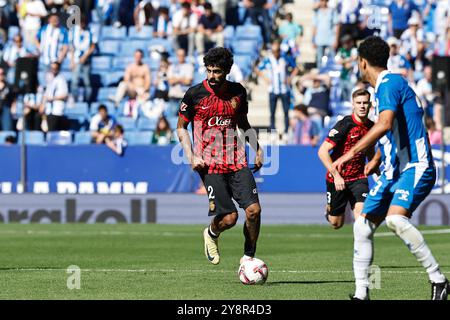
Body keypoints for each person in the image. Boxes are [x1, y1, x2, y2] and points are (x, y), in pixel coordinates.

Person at [332, 36, 449, 300]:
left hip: (417, 166)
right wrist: (374, 162)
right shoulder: (390, 86)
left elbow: (384, 124)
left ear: (362, 62)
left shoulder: (389, 83)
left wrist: (351, 152)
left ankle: (438, 279)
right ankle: (362, 294)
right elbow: (393, 131)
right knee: (361, 226)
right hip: (395, 172)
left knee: (396, 219)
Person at [177, 47, 263, 266]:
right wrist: (191, 156)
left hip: (237, 160)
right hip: (210, 164)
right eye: (209, 71)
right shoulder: (195, 94)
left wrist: (257, 148)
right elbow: (181, 128)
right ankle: (211, 233)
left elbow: (243, 123)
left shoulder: (238, 92)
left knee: (254, 211)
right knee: (230, 218)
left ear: (227, 70)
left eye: (217, 71)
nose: (212, 76)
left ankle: (248, 257)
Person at [317, 89, 374, 229]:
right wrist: (336, 175)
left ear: (370, 104)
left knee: (362, 220)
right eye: (358, 103)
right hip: (337, 178)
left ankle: (360, 250)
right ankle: (329, 211)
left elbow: (369, 150)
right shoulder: (344, 125)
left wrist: (376, 169)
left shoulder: (372, 127)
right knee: (336, 223)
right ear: (353, 105)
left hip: (358, 178)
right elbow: (322, 151)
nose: (362, 106)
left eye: (365, 103)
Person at [256, 40, 299, 135]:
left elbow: (296, 68)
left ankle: (286, 130)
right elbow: (257, 69)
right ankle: (273, 130)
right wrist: (265, 78)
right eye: (273, 51)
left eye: (277, 51)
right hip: (273, 89)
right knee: (272, 112)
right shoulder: (268, 59)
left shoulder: (285, 58)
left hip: (284, 89)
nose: (275, 53)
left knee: (286, 112)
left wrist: (290, 78)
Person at [69, 15, 96, 102]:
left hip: (86, 60)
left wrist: (85, 56)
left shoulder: (90, 31)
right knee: (74, 81)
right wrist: (72, 61)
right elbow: (72, 47)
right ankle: (75, 100)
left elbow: (92, 46)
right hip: (76, 60)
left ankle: (87, 102)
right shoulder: (73, 31)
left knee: (87, 82)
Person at [39, 62, 69, 131]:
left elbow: (65, 95)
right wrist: (43, 104)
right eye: (52, 68)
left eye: (55, 68)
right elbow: (46, 94)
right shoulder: (50, 80)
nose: (53, 70)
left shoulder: (61, 80)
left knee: (52, 131)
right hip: (48, 110)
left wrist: (52, 98)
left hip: (56, 110)